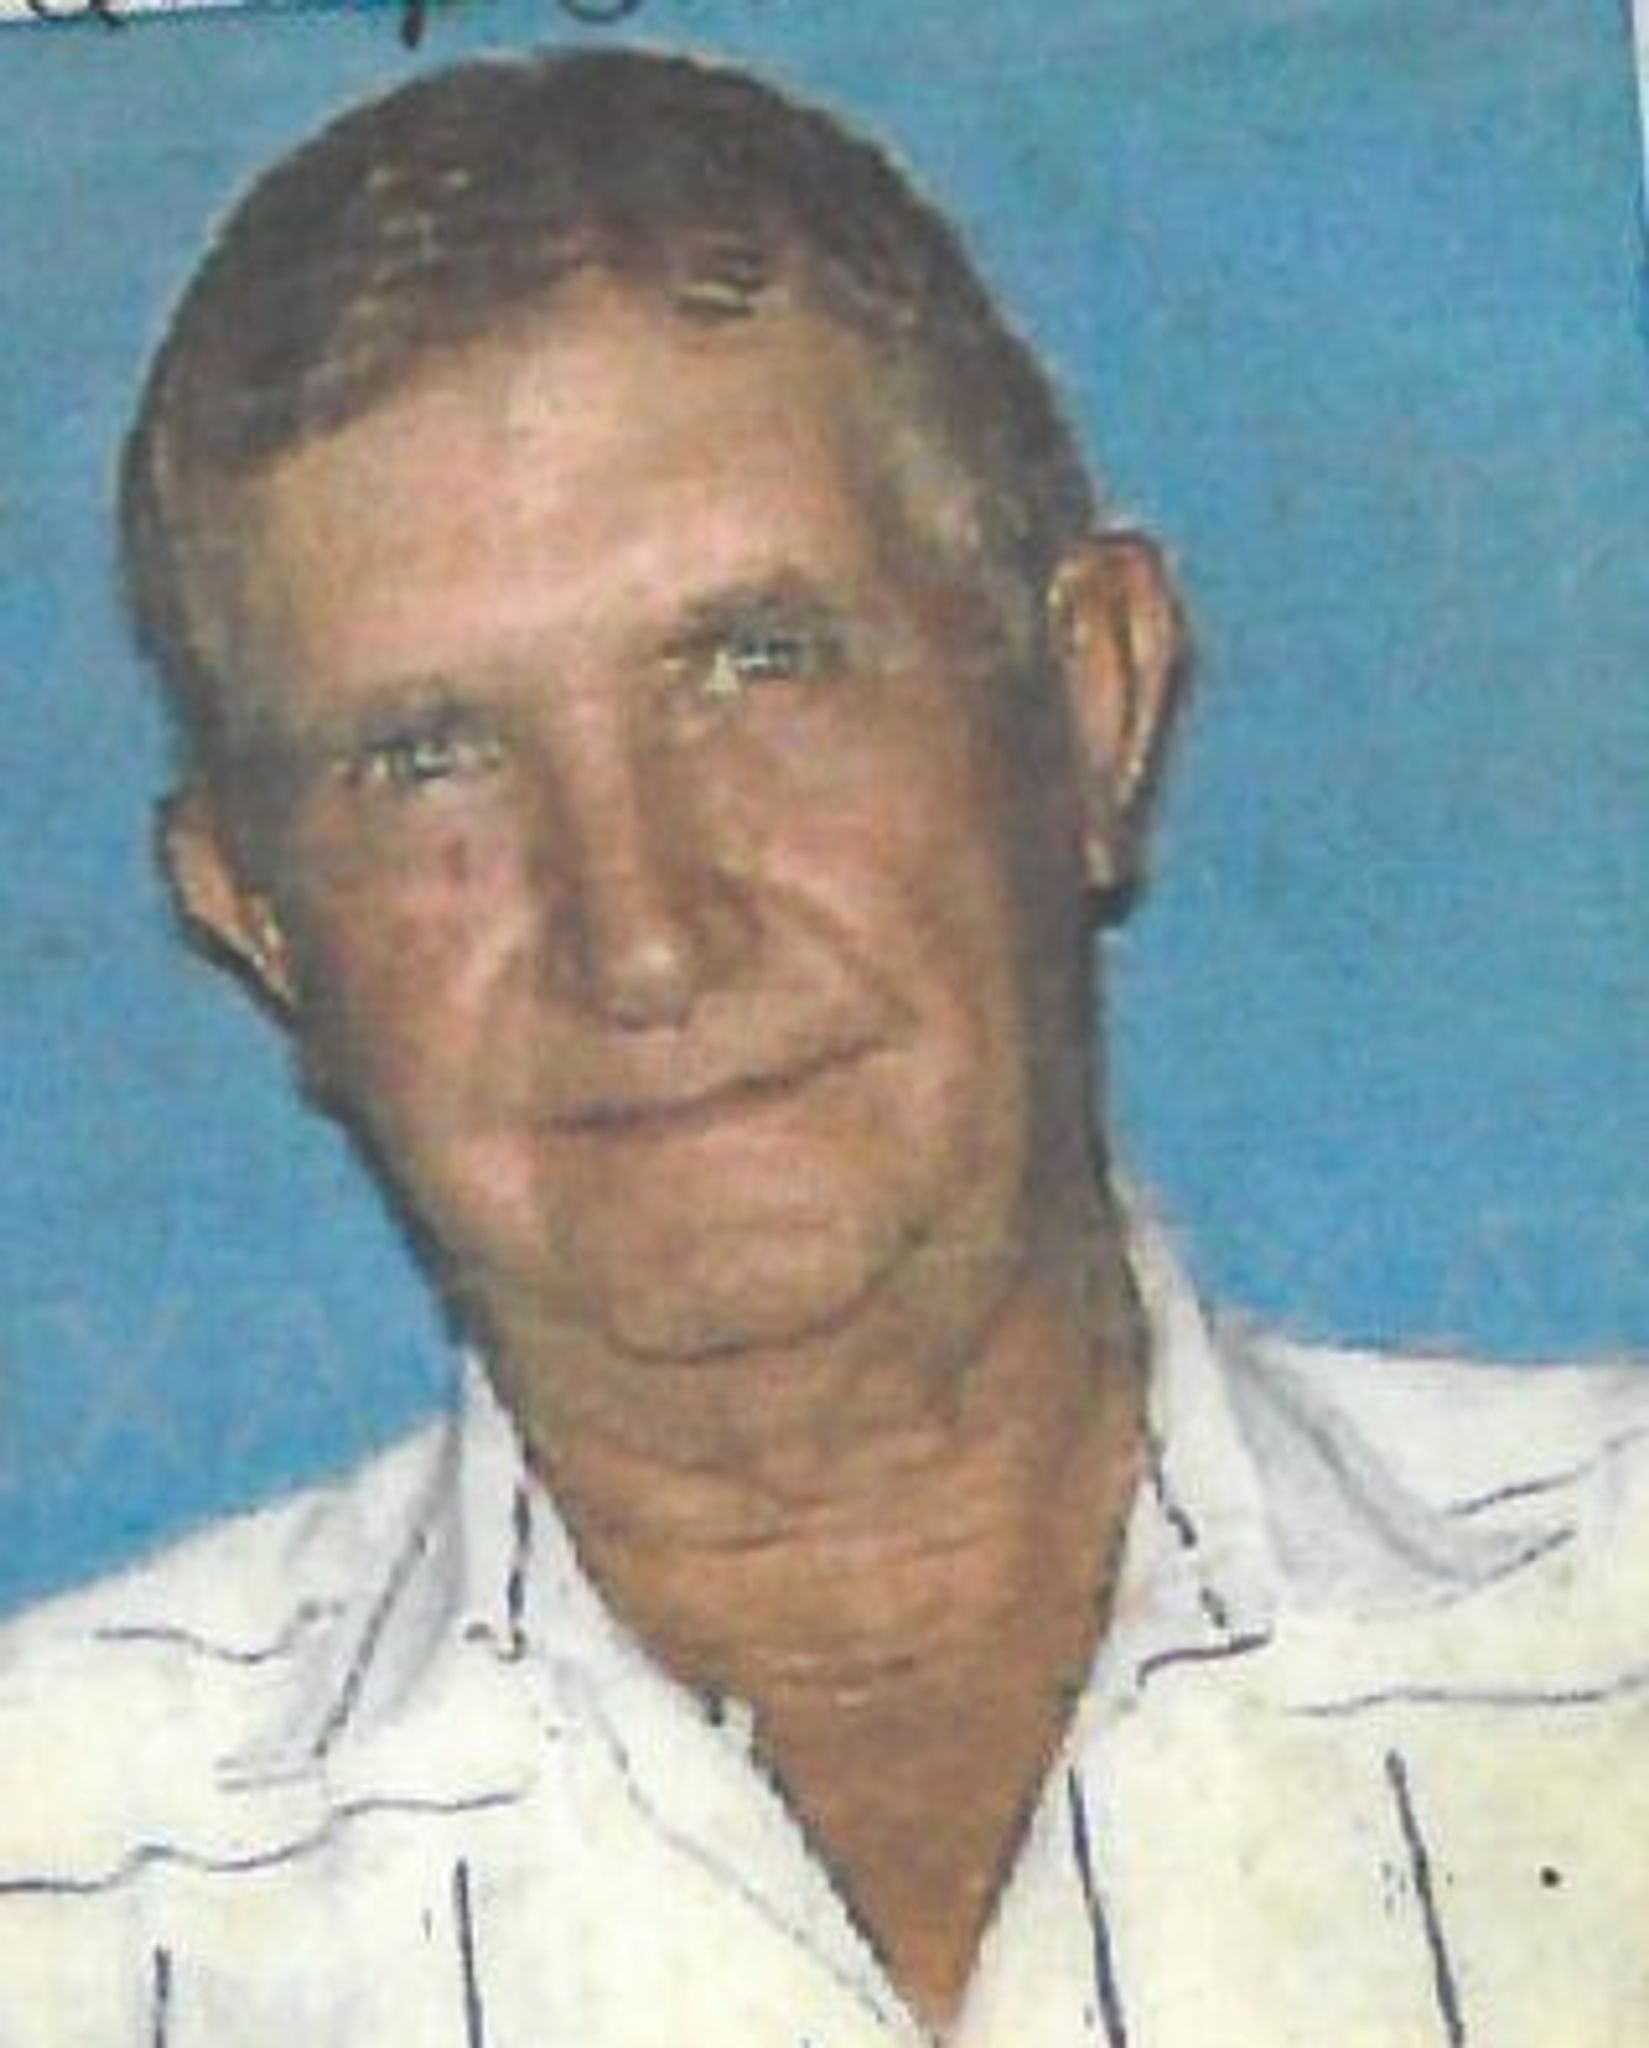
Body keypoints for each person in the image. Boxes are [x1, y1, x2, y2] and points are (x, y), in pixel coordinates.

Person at [2, 45, 1647, 2047]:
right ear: (259, 915)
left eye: (754, 665)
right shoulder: (58, 1882)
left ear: (1089, 700)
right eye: (427, 757)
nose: (641, 932)